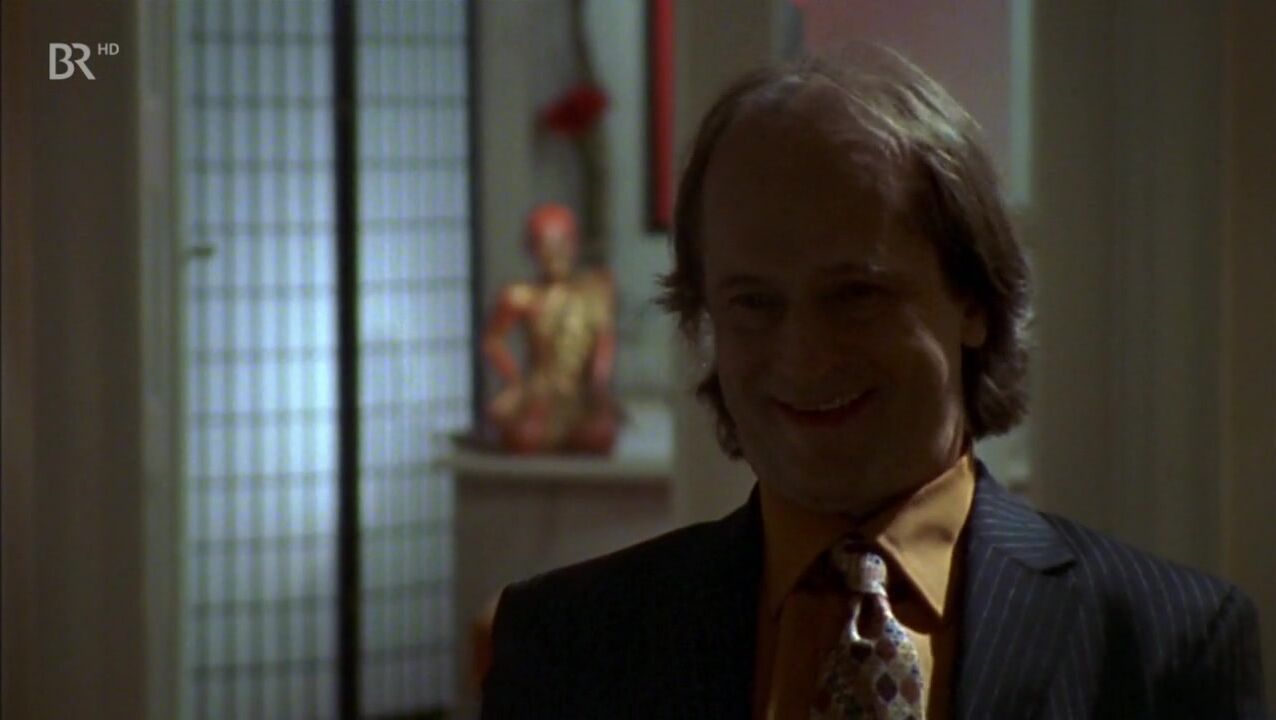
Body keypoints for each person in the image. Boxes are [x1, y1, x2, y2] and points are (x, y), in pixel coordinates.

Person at [480, 47, 1267, 718]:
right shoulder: (570, 643)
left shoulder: (1163, 648)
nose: (803, 356)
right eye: (754, 304)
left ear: (972, 299)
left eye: (855, 295)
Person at [481, 203, 620, 455]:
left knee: (598, 435)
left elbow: (604, 338)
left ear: (575, 245)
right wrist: (515, 381)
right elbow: (493, 340)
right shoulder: (520, 296)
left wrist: (598, 384)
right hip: (540, 390)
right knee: (524, 436)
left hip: (580, 393)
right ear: (531, 249)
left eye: (563, 244)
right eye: (546, 245)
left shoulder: (594, 290)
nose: (556, 254)